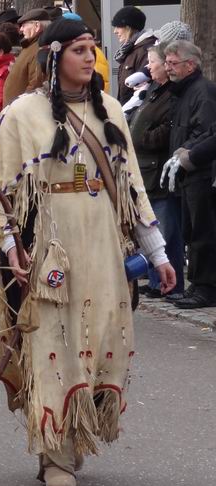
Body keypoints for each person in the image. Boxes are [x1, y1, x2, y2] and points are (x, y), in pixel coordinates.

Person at [0, 19, 175, 486]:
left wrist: (158, 253)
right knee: (55, 342)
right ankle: (55, 453)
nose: (90, 58)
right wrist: (11, 247)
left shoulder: (110, 108)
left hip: (103, 245)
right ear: (53, 58)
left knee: (101, 339)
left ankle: (78, 431)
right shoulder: (21, 116)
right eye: (78, 50)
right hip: (53, 247)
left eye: (93, 49)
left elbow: (131, 185)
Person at [163, 40, 216, 309]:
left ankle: (205, 287)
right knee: (192, 231)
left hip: (201, 172)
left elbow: (205, 131)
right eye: (167, 63)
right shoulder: (183, 91)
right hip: (188, 171)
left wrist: (187, 154)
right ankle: (197, 283)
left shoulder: (202, 92)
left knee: (202, 231)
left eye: (173, 63)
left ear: (190, 65)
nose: (167, 68)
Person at [129, 45, 184, 300]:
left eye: (153, 62)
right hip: (145, 167)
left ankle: (167, 282)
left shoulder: (171, 95)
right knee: (155, 224)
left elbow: (167, 129)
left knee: (164, 228)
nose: (148, 66)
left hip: (157, 168)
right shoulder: (152, 90)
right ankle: (154, 280)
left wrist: (142, 137)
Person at [2, 8, 49, 107]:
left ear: (37, 26)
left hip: (22, 114)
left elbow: (35, 86)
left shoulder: (39, 49)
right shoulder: (31, 45)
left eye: (24, 25)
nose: (21, 30)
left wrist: (21, 111)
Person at [112, 6, 156, 104]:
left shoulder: (146, 50)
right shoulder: (131, 48)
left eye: (118, 26)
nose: (115, 31)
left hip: (134, 113)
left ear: (129, 27)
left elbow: (144, 90)